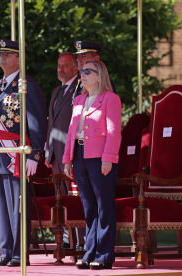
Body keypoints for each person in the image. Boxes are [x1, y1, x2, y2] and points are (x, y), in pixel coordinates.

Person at [0, 39, 47, 267]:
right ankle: (5, 251)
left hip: (16, 154)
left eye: (8, 54)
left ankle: (19, 252)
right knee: (2, 207)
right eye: (1, 53)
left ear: (19, 59)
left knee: (17, 206)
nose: (2, 56)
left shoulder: (27, 86)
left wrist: (35, 154)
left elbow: (36, 122)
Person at [63, 60, 121, 270]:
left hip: (100, 158)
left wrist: (108, 157)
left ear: (100, 75)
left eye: (88, 71)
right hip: (79, 155)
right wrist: (67, 159)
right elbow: (71, 131)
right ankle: (90, 252)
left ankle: (104, 254)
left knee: (104, 206)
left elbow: (114, 131)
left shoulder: (111, 99)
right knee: (88, 206)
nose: (83, 74)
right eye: (81, 71)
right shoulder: (78, 100)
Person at [44, 52, 85, 250]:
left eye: (65, 66)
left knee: (75, 197)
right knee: (61, 199)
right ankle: (68, 240)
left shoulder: (80, 90)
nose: (60, 69)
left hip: (71, 154)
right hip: (54, 154)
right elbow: (51, 123)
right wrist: (47, 149)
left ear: (75, 69)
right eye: (59, 65)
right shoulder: (56, 91)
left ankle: (82, 241)